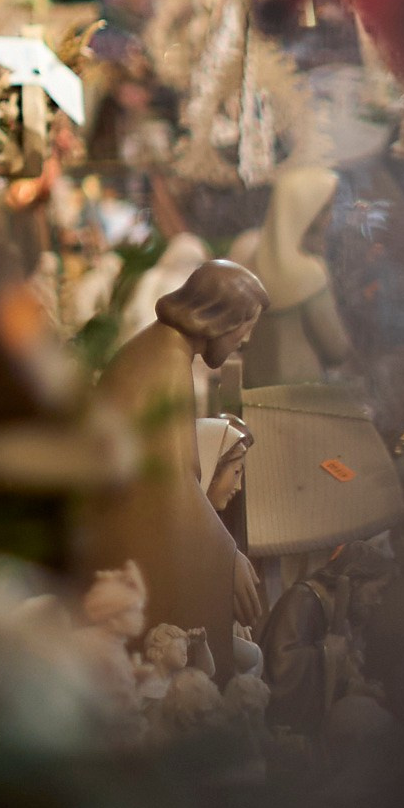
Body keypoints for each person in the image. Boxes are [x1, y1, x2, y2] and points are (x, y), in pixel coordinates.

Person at [84, 258, 270, 678]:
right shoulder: (164, 363)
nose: (247, 337)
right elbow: (172, 485)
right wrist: (227, 555)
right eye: (246, 325)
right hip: (130, 540)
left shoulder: (165, 351)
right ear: (219, 318)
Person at [233, 162, 352, 386]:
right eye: (324, 210)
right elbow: (336, 348)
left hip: (253, 386)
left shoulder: (248, 266)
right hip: (301, 393)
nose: (330, 220)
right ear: (305, 212)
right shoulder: (310, 273)